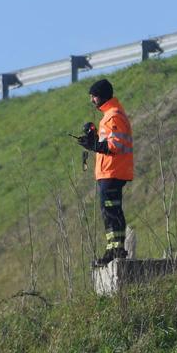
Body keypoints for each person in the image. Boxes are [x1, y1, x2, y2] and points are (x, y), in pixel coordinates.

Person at [76, 79, 134, 265]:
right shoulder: (109, 115)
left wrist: (93, 145)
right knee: (109, 210)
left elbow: (114, 145)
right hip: (109, 172)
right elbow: (108, 144)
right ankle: (113, 248)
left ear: (101, 96)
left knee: (111, 210)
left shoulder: (113, 116)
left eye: (93, 96)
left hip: (112, 172)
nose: (92, 100)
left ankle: (116, 250)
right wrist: (94, 141)